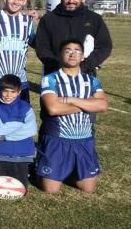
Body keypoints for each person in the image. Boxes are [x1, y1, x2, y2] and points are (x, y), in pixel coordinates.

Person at [37, 39, 108, 193]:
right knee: (51, 190)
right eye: (67, 50)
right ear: (60, 55)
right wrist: (88, 104)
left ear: (83, 57)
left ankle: (68, 169)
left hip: (84, 140)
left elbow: (102, 106)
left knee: (88, 189)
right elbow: (53, 108)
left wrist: (71, 100)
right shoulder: (49, 79)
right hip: (57, 140)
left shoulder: (92, 81)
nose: (72, 53)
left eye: (77, 50)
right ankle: (53, 167)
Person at [34, 0, 113, 76]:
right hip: (55, 74)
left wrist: (85, 66)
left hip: (86, 74)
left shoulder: (94, 19)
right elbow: (41, 47)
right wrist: (59, 66)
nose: (71, 1)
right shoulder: (48, 19)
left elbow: (105, 46)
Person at [0, 74, 36, 189]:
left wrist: (5, 136)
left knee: (19, 187)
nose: (8, 95)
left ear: (19, 92)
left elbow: (31, 129)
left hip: (21, 152)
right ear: (0, 90)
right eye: (5, 91)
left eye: (13, 92)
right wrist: (20, 125)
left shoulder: (26, 107)